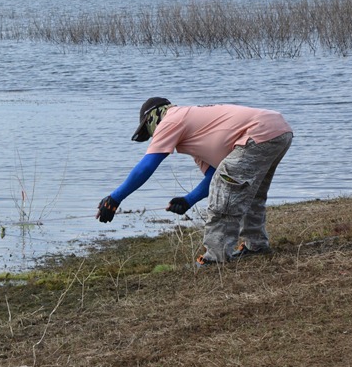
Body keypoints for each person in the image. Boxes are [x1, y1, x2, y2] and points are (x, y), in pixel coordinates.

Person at [96, 97, 293, 267]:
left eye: (148, 130)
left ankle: (216, 257)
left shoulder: (170, 119)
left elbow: (147, 166)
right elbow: (213, 176)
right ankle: (256, 245)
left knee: (224, 192)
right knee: (250, 191)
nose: (152, 136)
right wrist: (189, 200)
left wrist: (115, 198)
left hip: (259, 132)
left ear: (154, 117)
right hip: (277, 129)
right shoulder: (196, 136)